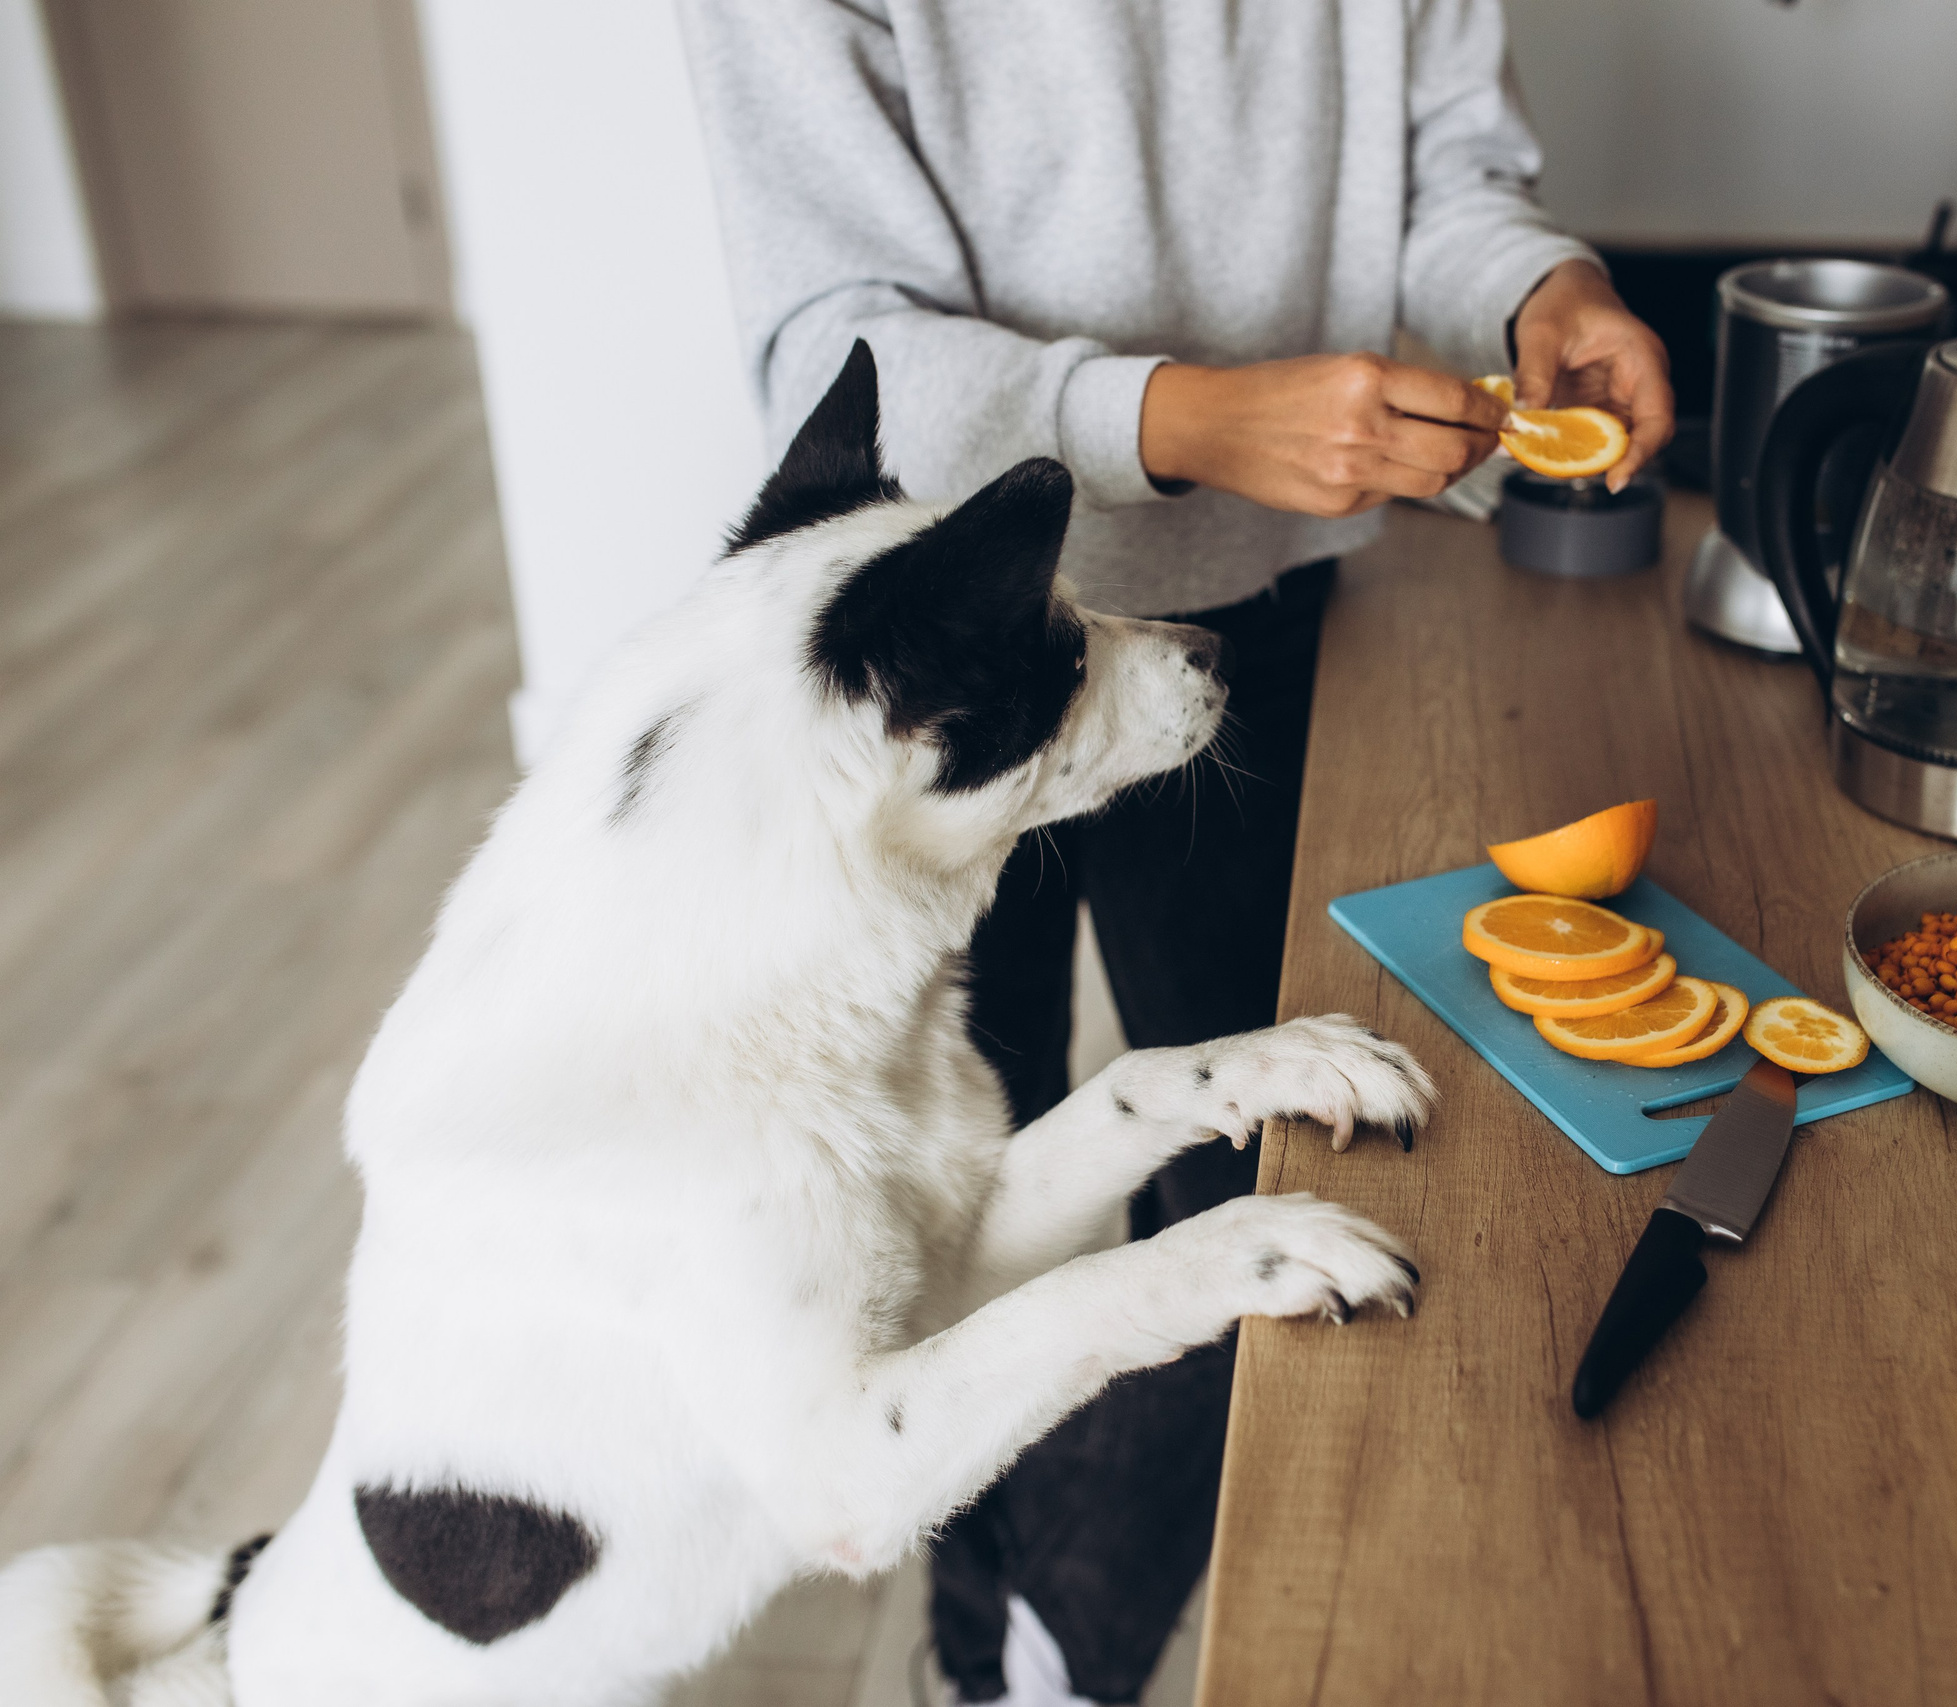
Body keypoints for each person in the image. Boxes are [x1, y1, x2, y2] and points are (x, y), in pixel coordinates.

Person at [677, 5, 1673, 1700]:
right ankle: (982, 1636)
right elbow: (827, 338)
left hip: (1256, 616)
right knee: (909, 1229)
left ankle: (1051, 1647)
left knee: (1268, 1177)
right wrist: (1178, 420)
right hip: (928, 664)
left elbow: (1446, 174)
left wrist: (1538, 289)